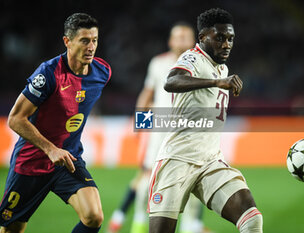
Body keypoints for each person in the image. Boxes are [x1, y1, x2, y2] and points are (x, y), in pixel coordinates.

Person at [148, 8, 263, 233]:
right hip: (177, 159)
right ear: (203, 38)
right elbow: (171, 81)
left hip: (210, 161)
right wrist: (215, 83)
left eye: (230, 39)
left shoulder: (222, 68)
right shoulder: (192, 57)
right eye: (219, 38)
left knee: (251, 220)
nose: (226, 44)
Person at [0, 13, 111, 233]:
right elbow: (15, 118)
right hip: (32, 161)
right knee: (12, 229)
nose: (91, 47)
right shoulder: (48, 74)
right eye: (84, 40)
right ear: (67, 41)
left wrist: (60, 150)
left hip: (67, 159)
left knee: (93, 216)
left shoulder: (102, 71)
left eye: (95, 40)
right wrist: (50, 149)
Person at [107, 22, 208, 233]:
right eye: (177, 37)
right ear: (170, 41)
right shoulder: (157, 63)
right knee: (147, 180)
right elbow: (147, 94)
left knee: (192, 183)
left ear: (193, 41)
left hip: (189, 132)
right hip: (159, 132)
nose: (181, 41)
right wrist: (140, 125)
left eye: (185, 37)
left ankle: (190, 228)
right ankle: (139, 226)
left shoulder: (204, 65)